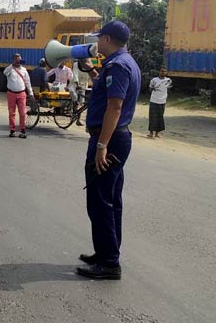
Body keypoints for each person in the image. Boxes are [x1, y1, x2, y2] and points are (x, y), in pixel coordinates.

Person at [76, 20, 140, 280]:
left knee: (101, 201)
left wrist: (102, 145)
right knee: (111, 199)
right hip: (116, 138)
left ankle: (110, 263)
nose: (96, 42)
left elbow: (114, 106)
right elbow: (106, 89)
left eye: (99, 38)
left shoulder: (118, 66)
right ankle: (105, 253)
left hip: (110, 139)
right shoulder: (125, 63)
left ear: (108, 39)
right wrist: (92, 72)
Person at [3, 53, 33, 139]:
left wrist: (30, 93)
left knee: (23, 113)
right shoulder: (10, 69)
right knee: (12, 113)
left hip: (21, 94)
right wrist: (12, 65)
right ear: (13, 60)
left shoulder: (24, 70)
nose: (18, 61)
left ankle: (22, 131)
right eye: (16, 60)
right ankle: (12, 131)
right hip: (11, 93)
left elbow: (28, 82)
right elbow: (5, 73)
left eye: (19, 59)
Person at [148, 67, 172, 138]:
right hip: (154, 101)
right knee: (152, 117)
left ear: (166, 73)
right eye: (162, 71)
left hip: (162, 101)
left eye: (164, 71)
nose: (163, 73)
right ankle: (151, 133)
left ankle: (157, 133)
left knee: (160, 117)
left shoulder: (169, 80)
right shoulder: (154, 80)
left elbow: (169, 89)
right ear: (159, 72)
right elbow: (150, 89)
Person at [72, 60, 91, 126]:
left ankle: (78, 119)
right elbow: (75, 74)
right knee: (75, 99)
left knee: (82, 103)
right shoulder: (76, 64)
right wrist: (77, 84)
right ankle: (74, 112)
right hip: (75, 85)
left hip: (84, 85)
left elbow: (91, 73)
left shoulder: (88, 63)